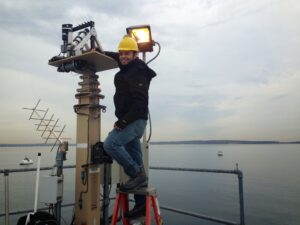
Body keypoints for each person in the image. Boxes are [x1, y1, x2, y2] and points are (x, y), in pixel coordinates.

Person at [103, 35, 156, 219]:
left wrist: (123, 122)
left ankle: (136, 174)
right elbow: (117, 57)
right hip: (131, 119)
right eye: (121, 53)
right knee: (135, 155)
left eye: (127, 53)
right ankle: (141, 205)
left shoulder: (137, 72)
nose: (123, 56)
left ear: (135, 54)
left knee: (110, 144)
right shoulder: (127, 64)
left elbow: (141, 103)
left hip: (135, 120)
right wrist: (99, 52)